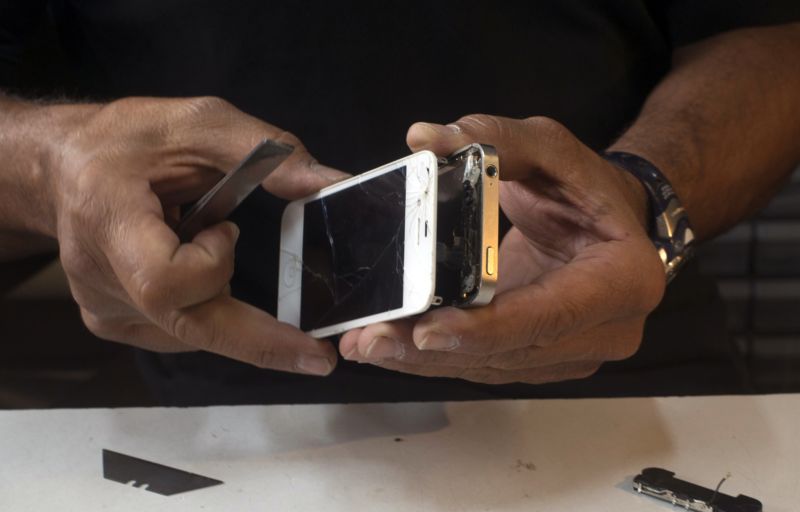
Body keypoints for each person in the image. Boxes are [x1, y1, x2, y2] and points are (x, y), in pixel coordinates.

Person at [1, 2, 799, 404]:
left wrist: (643, 193)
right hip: (210, 403)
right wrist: (48, 163)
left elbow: (766, 32)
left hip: (624, 351)